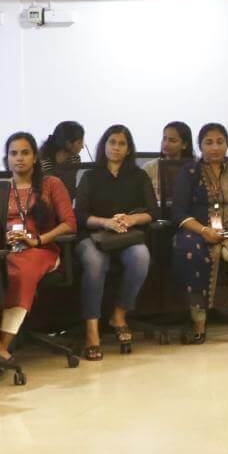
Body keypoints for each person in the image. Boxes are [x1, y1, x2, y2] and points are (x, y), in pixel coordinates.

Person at [0, 132, 77, 361]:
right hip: (6, 249)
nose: (19, 158)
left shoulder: (51, 184)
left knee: (21, 272)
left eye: (25, 153)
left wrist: (37, 240)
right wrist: (1, 238)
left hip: (41, 249)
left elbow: (70, 224)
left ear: (35, 157)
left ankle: (4, 346)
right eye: (13, 153)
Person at [171, 123, 228, 341]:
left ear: (227, 144)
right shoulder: (190, 171)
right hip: (196, 230)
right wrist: (203, 230)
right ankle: (199, 320)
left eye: (220, 142)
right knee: (194, 252)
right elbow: (178, 211)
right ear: (200, 146)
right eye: (209, 142)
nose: (215, 147)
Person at [74, 124, 156, 356]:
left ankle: (119, 315)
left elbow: (153, 212)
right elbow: (79, 216)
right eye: (112, 142)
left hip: (126, 235)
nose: (116, 148)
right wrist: (105, 222)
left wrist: (131, 219)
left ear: (129, 149)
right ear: (104, 145)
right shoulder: (90, 176)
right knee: (95, 262)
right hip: (93, 235)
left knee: (141, 256)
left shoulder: (139, 176)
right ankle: (92, 330)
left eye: (122, 144)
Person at [147, 121, 194, 204]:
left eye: (172, 141)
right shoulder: (150, 167)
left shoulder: (195, 166)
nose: (166, 144)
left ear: (184, 144)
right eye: (164, 138)